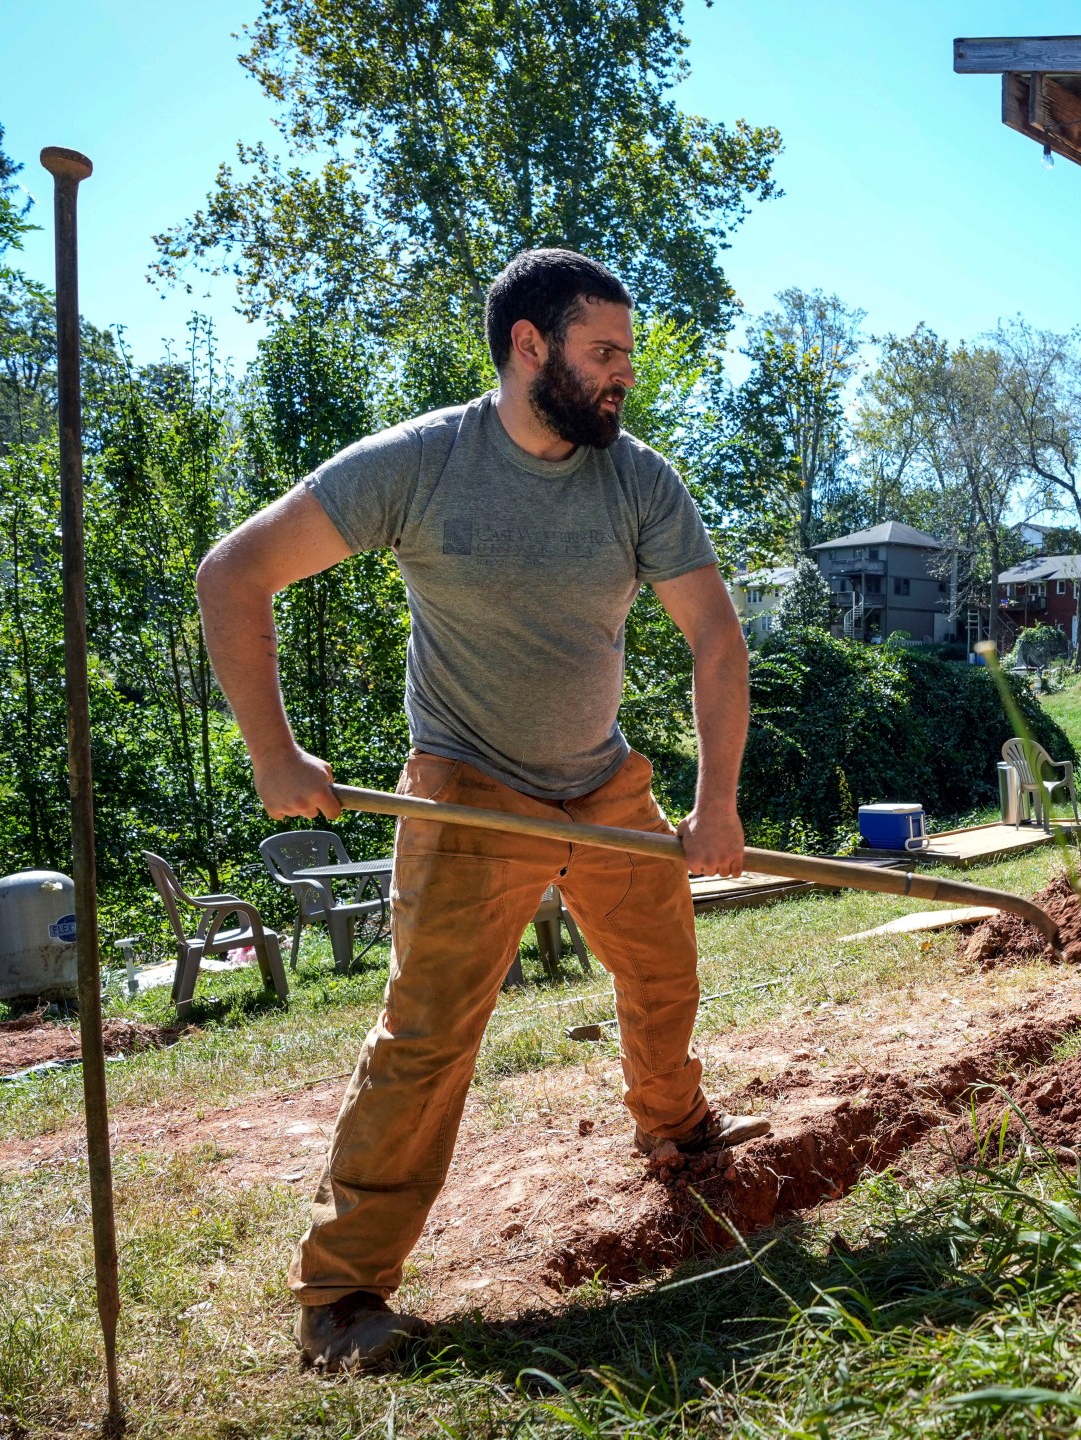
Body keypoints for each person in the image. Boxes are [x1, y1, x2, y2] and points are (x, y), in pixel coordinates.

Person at [197, 249, 765, 1371]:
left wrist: (717, 804)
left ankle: (677, 1135)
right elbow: (233, 574)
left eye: (627, 358)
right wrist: (273, 750)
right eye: (604, 354)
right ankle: (343, 1294)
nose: (622, 379)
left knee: (663, 975)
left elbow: (714, 640)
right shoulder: (421, 463)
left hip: (601, 784)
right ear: (527, 347)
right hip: (466, 790)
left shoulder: (637, 479)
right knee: (427, 1038)